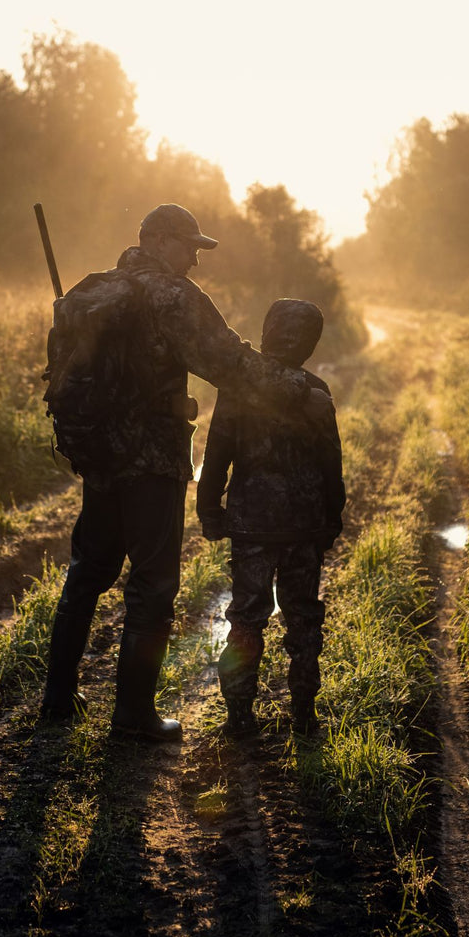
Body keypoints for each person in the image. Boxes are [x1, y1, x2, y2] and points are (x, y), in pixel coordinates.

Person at [40, 204, 332, 741]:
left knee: (88, 570)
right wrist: (298, 390)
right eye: (189, 247)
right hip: (151, 462)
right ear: (157, 240)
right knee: (153, 584)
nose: (195, 262)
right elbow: (231, 363)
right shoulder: (171, 295)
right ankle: (133, 716)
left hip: (99, 457)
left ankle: (58, 698)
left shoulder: (92, 289)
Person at [196, 298, 346, 738]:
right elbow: (330, 464)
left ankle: (239, 716)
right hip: (303, 526)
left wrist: (210, 510)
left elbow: (217, 453)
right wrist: (331, 519)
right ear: (311, 343)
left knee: (246, 618)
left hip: (251, 524)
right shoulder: (315, 391)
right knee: (302, 618)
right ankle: (304, 714)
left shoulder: (240, 389)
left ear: (266, 332)